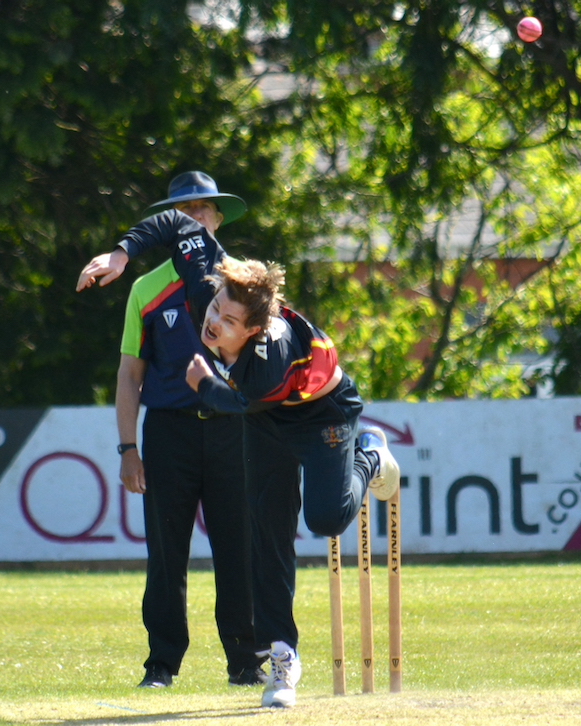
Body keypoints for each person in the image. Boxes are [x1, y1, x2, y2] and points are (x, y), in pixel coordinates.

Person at [77, 196, 401, 709]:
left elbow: (240, 403)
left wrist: (204, 385)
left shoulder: (267, 356)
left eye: (228, 321)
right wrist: (121, 253)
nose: (212, 324)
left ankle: (371, 458)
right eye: (214, 309)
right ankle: (282, 658)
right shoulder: (207, 279)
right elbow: (174, 222)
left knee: (326, 519)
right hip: (265, 423)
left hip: (320, 413)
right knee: (268, 540)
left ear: (252, 329)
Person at [77, 172, 265, 689]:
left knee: (239, 548)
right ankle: (161, 664)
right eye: (185, 211)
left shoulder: (242, 285)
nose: (195, 218)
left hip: (233, 430)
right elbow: (129, 375)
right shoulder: (146, 289)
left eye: (204, 209)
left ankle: (246, 662)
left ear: (218, 219)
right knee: (165, 554)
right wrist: (128, 448)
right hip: (169, 433)